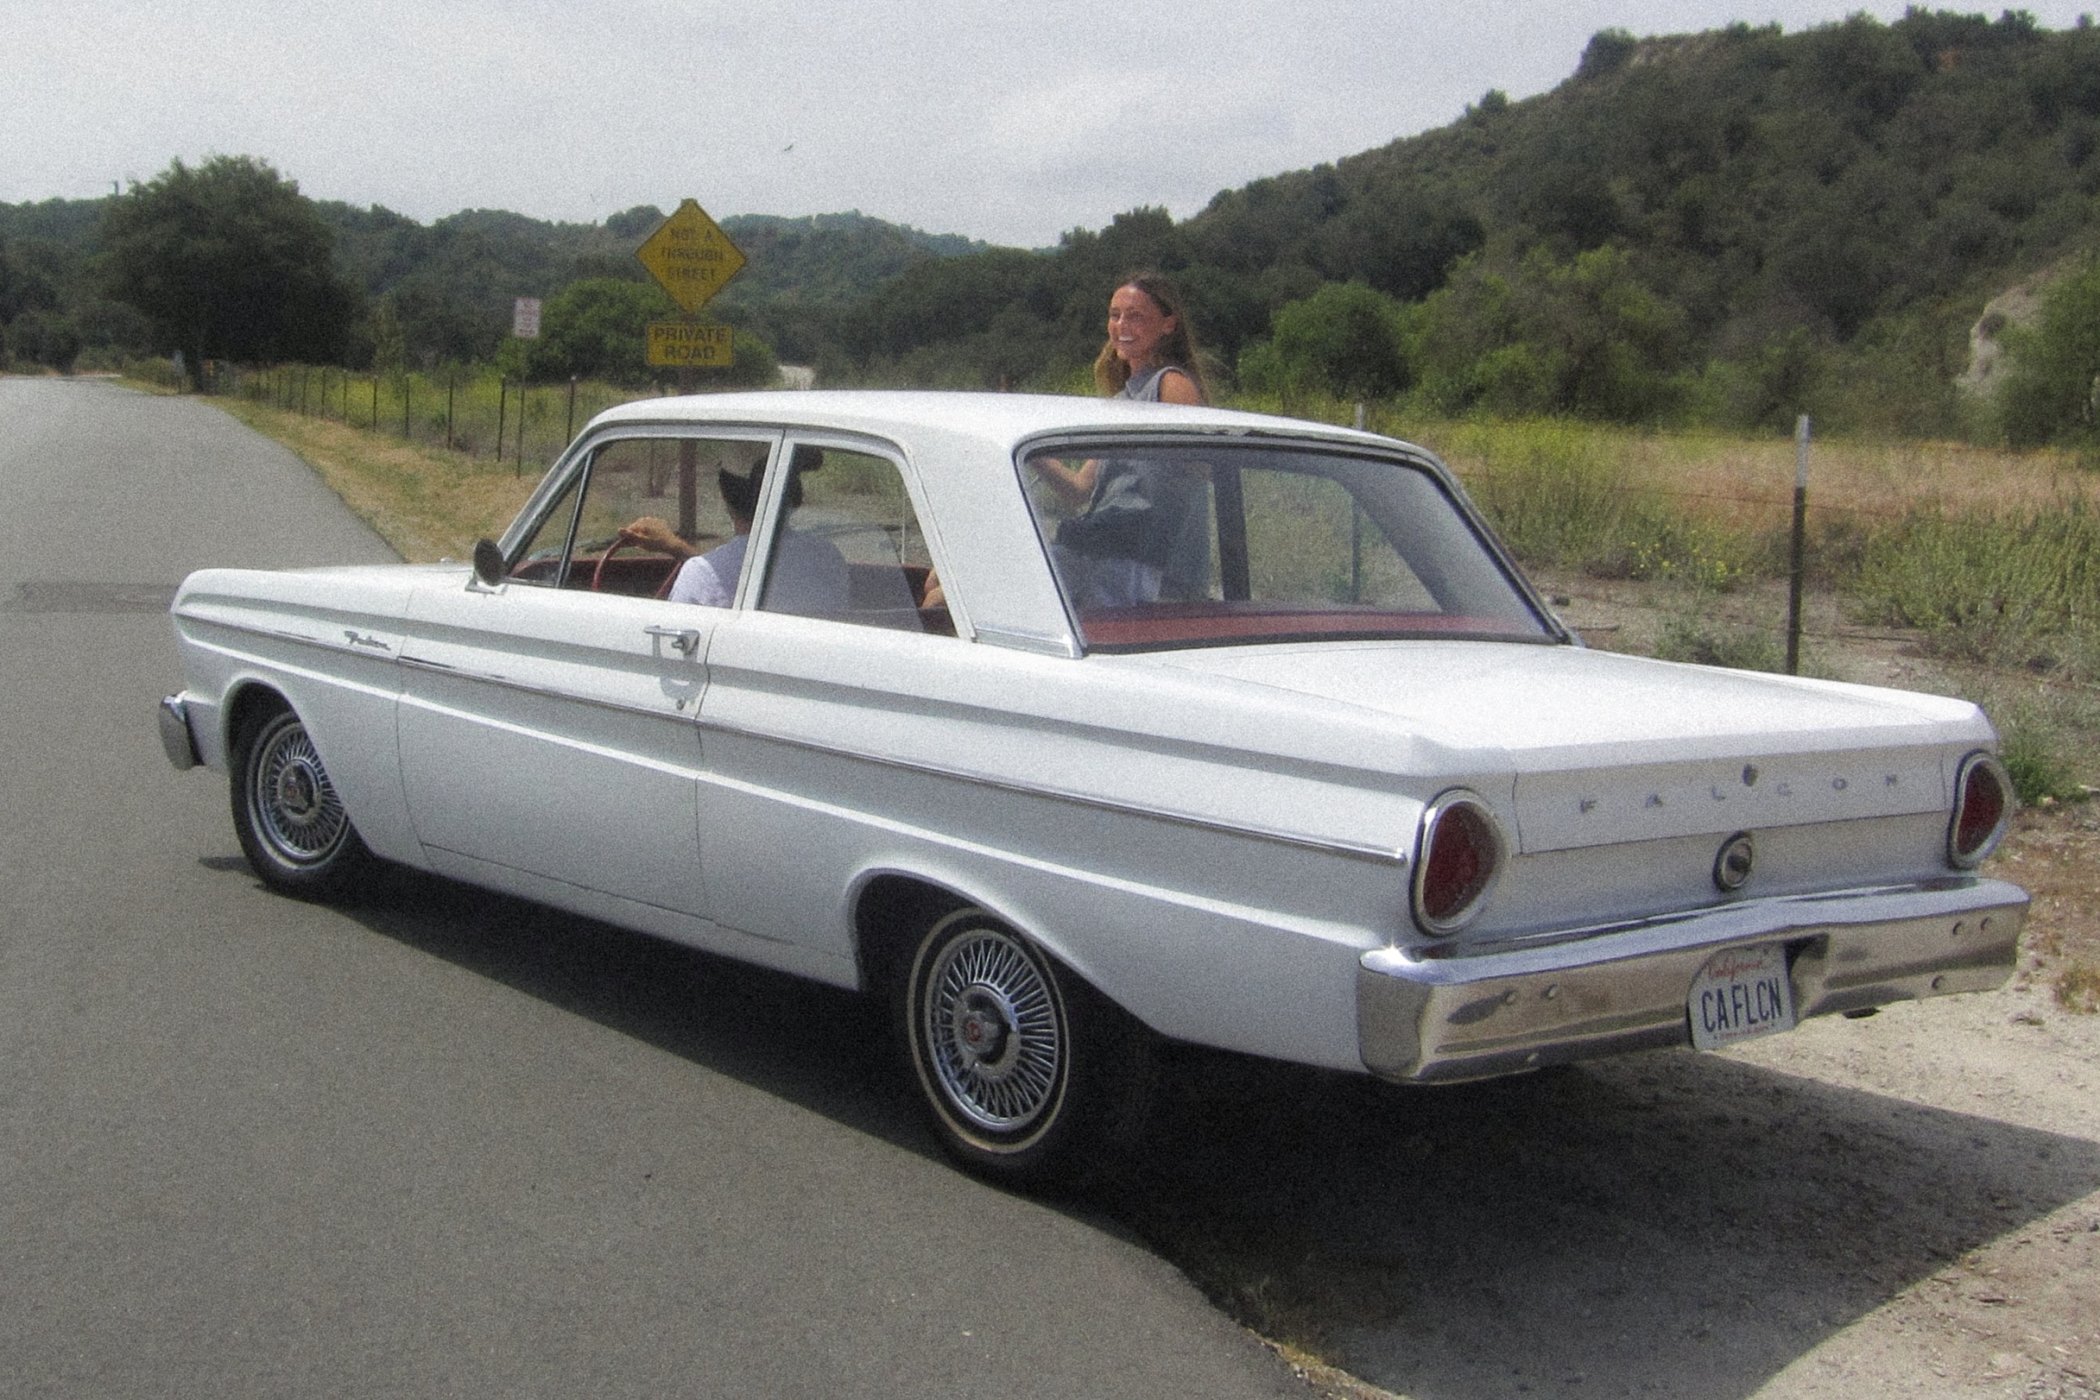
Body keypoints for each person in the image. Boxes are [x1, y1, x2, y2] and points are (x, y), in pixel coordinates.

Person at [1034, 274, 1213, 607]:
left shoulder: (1170, 385)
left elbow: (1201, 466)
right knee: (945, 583)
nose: (1122, 325)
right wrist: (1031, 453)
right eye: (1115, 315)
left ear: (1168, 324)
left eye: (1135, 316)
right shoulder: (1122, 401)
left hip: (1142, 563)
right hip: (1100, 549)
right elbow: (1079, 490)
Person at [625, 448, 848, 612]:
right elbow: (754, 570)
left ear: (726, 497)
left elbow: (671, 642)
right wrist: (675, 547)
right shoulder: (828, 556)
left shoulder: (701, 574)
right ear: (794, 497)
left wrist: (678, 549)